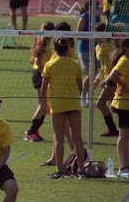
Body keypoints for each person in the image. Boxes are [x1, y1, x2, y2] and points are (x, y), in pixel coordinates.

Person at [42, 38, 86, 178]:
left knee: (59, 138)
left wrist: (46, 103)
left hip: (57, 104)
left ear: (55, 49)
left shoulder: (50, 65)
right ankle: (82, 171)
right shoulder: (75, 64)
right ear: (67, 48)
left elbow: (43, 88)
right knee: (77, 138)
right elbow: (80, 85)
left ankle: (60, 171)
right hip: (73, 103)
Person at [25, 21, 57, 142]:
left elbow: (31, 60)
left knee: (44, 105)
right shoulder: (43, 42)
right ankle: (31, 132)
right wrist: (44, 73)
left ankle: (34, 131)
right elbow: (37, 61)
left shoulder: (45, 42)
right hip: (41, 75)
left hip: (43, 74)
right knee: (43, 105)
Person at [109, 39, 129, 177]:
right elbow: (113, 75)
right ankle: (123, 167)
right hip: (124, 103)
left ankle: (127, 165)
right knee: (124, 134)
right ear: (127, 47)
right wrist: (123, 85)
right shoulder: (124, 60)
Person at [94, 23, 120, 137]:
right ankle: (117, 129)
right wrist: (98, 78)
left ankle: (113, 129)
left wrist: (108, 78)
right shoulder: (98, 46)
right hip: (106, 78)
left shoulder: (109, 47)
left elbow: (115, 64)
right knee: (114, 106)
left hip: (112, 78)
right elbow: (103, 66)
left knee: (100, 103)